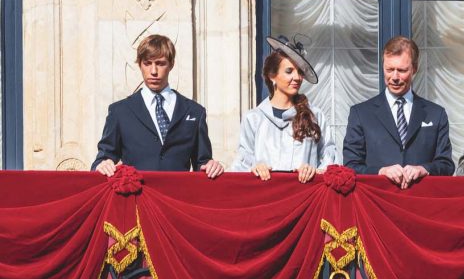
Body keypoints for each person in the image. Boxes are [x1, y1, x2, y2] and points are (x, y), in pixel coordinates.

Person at [92, 34, 223, 178]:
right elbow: (103, 158)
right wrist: (103, 164)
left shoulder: (195, 111)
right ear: (139, 64)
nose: (153, 71)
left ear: (171, 64)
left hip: (176, 197)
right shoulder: (120, 111)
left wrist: (211, 166)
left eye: (160, 63)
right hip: (136, 197)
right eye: (147, 63)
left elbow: (202, 163)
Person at [343, 36, 454, 188]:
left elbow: (446, 164)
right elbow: (350, 165)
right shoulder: (360, 114)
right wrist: (380, 171)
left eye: (402, 70)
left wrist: (424, 169)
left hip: (420, 203)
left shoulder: (436, 114)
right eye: (389, 69)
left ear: (414, 69)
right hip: (376, 203)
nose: (394, 77)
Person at [231, 36, 337, 182]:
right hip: (267, 199)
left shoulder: (315, 116)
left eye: (300, 72)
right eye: (289, 71)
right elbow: (241, 166)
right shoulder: (253, 119)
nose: (297, 77)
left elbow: (330, 158)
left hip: (305, 197)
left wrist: (316, 171)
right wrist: (254, 168)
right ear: (272, 76)